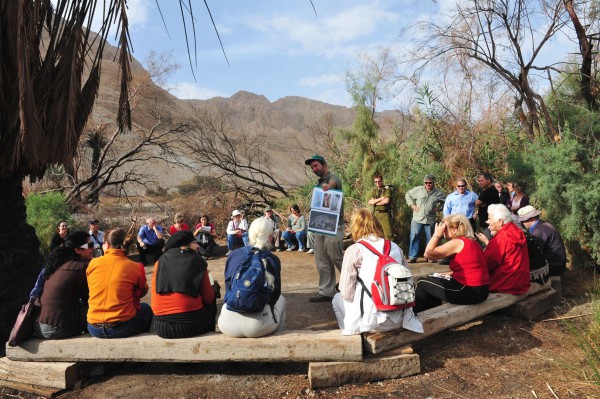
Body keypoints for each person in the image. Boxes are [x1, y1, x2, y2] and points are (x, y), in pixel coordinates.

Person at [332, 208, 422, 335]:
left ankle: (353, 336)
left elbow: (347, 293)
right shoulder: (395, 247)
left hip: (373, 323)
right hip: (402, 318)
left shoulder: (355, 249)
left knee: (337, 299)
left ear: (355, 228)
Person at [218, 217, 286, 338]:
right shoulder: (272, 259)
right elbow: (274, 295)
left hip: (227, 325)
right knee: (281, 300)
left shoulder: (234, 254)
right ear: (270, 236)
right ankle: (277, 340)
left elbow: (229, 286)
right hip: (258, 326)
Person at [414, 214, 489, 313]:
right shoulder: (472, 242)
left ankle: (415, 318)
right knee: (432, 279)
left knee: (421, 282)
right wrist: (451, 274)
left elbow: (428, 254)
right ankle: (434, 318)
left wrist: (436, 235)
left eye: (445, 227)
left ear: (454, 229)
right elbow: (472, 267)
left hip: (470, 291)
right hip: (481, 290)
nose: (443, 230)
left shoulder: (458, 242)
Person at [87, 228, 153, 338]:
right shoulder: (135, 266)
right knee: (145, 308)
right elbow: (142, 291)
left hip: (93, 328)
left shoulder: (93, 263)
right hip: (121, 327)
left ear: (106, 244)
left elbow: (91, 287)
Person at [151, 231, 216, 338]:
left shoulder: (160, 261)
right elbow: (208, 298)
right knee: (212, 297)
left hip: (161, 327)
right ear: (186, 245)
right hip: (190, 326)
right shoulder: (197, 260)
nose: (198, 245)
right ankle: (210, 333)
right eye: (195, 242)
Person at [34, 231, 93, 339]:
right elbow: (90, 299)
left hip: (40, 327)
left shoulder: (57, 265)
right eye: (90, 245)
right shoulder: (78, 268)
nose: (93, 248)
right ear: (77, 250)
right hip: (57, 329)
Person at [304, 155, 344, 302]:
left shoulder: (333, 178)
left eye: (316, 166)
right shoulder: (318, 184)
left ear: (324, 165)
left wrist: (328, 187)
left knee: (336, 256)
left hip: (333, 225)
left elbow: (333, 184)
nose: (314, 169)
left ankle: (354, 284)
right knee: (321, 259)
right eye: (312, 167)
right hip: (319, 226)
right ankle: (327, 291)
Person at [476, 204, 530, 295]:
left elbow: (485, 264)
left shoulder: (501, 239)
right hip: (521, 282)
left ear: (500, 221)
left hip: (505, 284)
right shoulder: (516, 230)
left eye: (490, 219)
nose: (488, 223)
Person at [405, 174, 445, 263]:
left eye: (430, 183)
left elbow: (446, 201)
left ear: (434, 182)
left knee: (431, 238)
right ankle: (412, 256)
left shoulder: (438, 193)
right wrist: (412, 205)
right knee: (414, 236)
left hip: (430, 219)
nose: (428, 184)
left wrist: (439, 209)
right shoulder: (418, 190)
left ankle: (430, 256)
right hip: (417, 218)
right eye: (426, 183)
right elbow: (408, 194)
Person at [518, 205, 567, 276]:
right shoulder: (543, 226)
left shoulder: (538, 231)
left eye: (523, 220)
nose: (522, 223)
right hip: (558, 263)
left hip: (554, 267)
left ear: (531, 218)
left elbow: (533, 253)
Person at [367, 174, 393, 240]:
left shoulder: (386, 189)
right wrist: (381, 199)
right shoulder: (374, 191)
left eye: (379, 181)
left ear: (382, 181)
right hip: (375, 214)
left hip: (384, 214)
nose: (377, 183)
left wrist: (375, 202)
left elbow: (386, 201)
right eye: (376, 182)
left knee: (388, 234)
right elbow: (370, 202)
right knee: (377, 233)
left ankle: (390, 249)